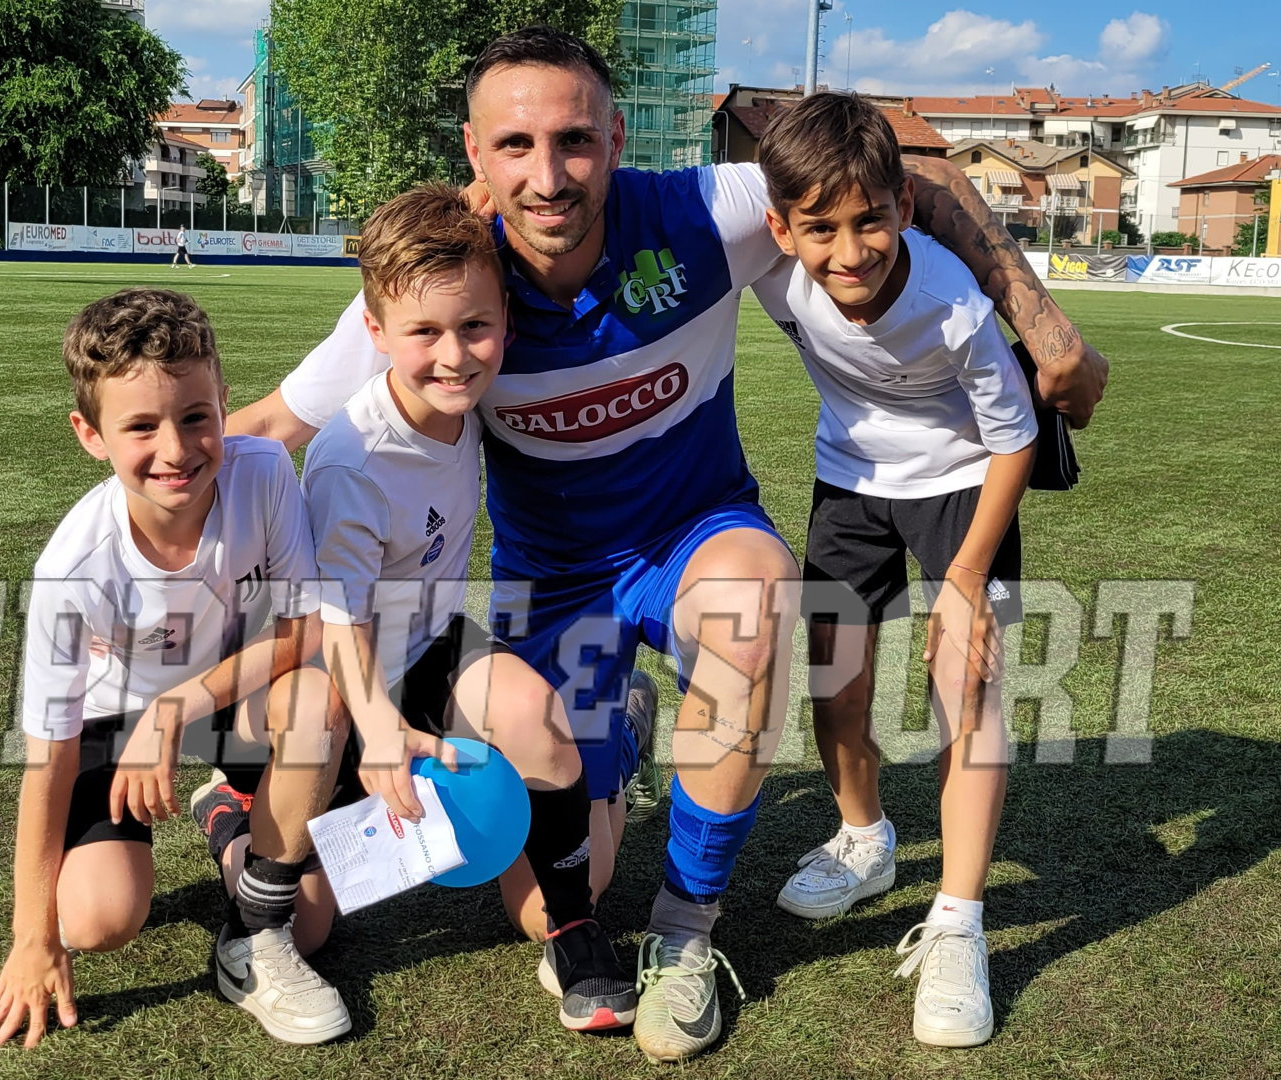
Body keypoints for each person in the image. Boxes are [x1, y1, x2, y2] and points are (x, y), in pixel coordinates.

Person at [226, 27, 1106, 1065]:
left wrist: (1045, 330)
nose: (547, 176)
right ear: (475, 153)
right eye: (515, 146)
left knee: (757, 602)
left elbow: (914, 180)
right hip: (555, 586)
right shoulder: (453, 289)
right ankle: (627, 737)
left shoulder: (703, 210)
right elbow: (273, 427)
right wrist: (144, 556)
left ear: (618, 134)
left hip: (696, 537)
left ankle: (687, 937)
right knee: (558, 899)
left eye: (574, 140)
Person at [302, 183, 639, 1033]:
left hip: (436, 646)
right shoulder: (351, 461)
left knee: (542, 748)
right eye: (422, 333)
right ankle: (229, 807)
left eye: (475, 328)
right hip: (347, 677)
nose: (454, 356)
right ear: (374, 334)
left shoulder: (479, 398)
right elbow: (335, 622)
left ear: (506, 324)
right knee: (310, 925)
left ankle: (574, 928)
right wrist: (377, 730)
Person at [0, 288, 353, 1050]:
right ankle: (230, 820)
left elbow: (304, 631)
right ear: (90, 435)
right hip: (112, 728)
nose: (177, 450)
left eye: (195, 417)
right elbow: (46, 762)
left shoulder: (265, 471)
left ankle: (246, 886)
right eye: (141, 426)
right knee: (97, 919)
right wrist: (30, 937)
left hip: (221, 699)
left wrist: (175, 707)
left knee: (310, 920)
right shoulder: (73, 571)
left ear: (222, 403)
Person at [752, 92, 1036, 1049]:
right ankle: (866, 840)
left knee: (969, 691)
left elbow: (1014, 443)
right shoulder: (769, 272)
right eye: (820, 229)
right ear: (779, 229)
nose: (849, 250)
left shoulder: (953, 303)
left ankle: (960, 922)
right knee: (836, 684)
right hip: (848, 484)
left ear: (904, 208)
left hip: (964, 488)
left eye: (869, 219)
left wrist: (964, 580)